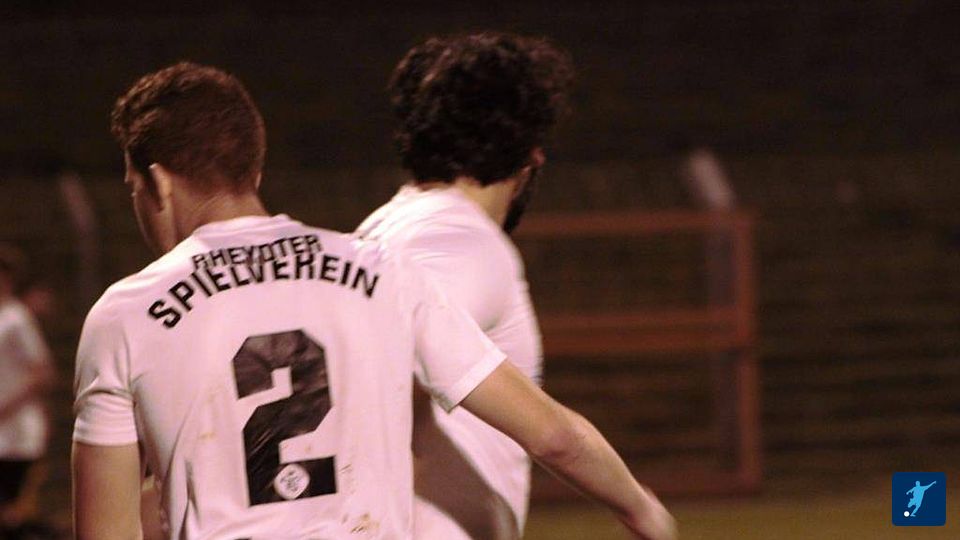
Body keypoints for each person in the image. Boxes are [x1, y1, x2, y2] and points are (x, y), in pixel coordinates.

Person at [72, 62, 676, 540]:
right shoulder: (383, 271)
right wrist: (641, 509)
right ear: (254, 170)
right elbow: (553, 436)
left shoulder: (126, 315)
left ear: (157, 181)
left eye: (133, 188)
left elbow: (107, 530)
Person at [356, 32, 567, 539]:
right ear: (532, 155)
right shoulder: (460, 240)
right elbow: (389, 351)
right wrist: (638, 507)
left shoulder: (379, 229)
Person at [0, 246, 55, 538]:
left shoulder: (16, 319)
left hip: (17, 436)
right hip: (4, 436)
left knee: (13, 515)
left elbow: (42, 372)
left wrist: (6, 406)